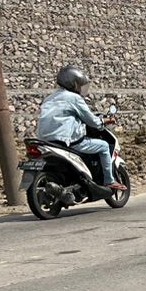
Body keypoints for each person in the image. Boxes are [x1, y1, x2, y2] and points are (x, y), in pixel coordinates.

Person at [37, 64, 115, 200]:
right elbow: (91, 120)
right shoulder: (74, 98)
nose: (80, 88)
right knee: (103, 146)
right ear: (72, 84)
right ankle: (109, 182)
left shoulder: (49, 98)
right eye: (79, 84)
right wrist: (104, 121)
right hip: (66, 140)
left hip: (45, 141)